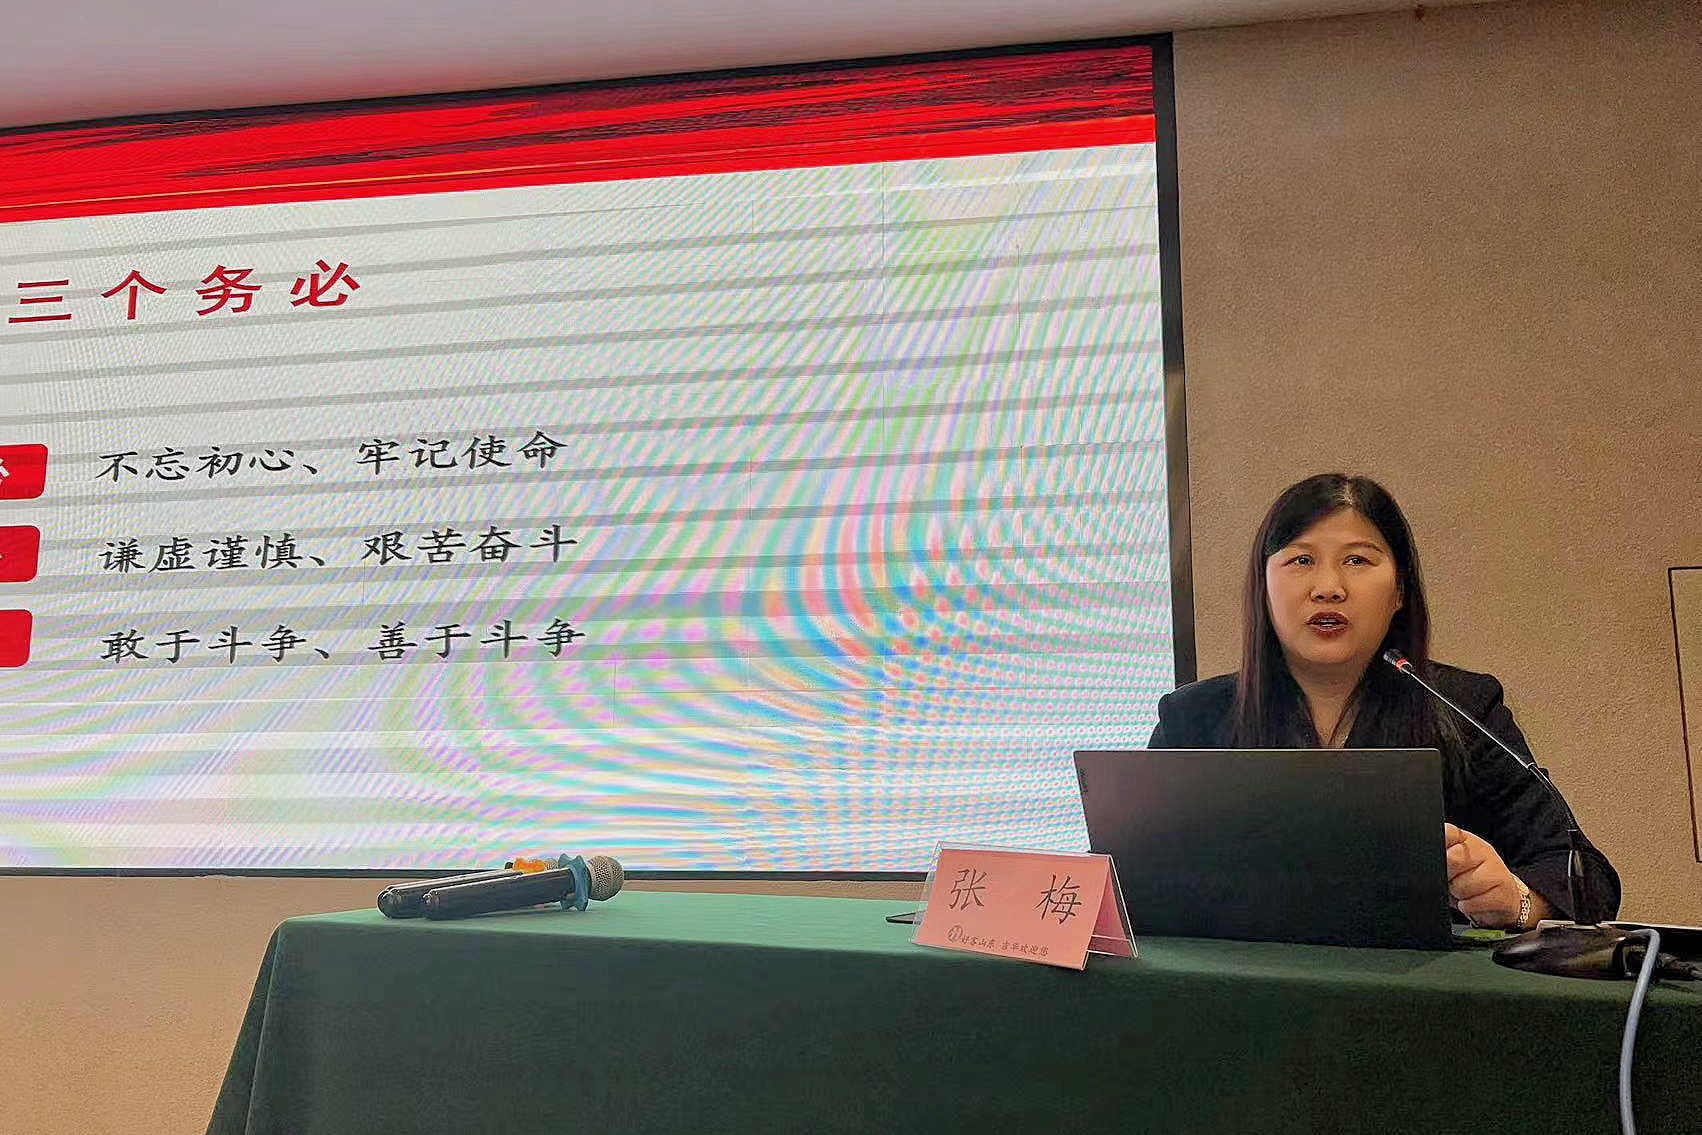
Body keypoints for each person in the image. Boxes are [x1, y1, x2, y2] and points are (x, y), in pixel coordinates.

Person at [1148, 473, 1619, 928]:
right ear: (1263, 589)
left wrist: (1518, 899)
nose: (1328, 587)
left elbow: (1587, 878)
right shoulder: (1192, 719)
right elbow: (1134, 876)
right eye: (1301, 560)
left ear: (1399, 592)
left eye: (1357, 560)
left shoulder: (1463, 707)